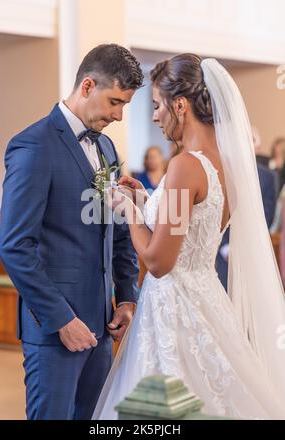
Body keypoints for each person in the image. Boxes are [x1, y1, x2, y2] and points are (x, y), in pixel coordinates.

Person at [93, 54, 285, 420]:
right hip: (208, 300)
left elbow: (159, 261)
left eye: (156, 105)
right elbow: (185, 226)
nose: (153, 116)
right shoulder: (225, 166)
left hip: (175, 310)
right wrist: (147, 201)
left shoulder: (185, 165)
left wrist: (131, 211)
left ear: (179, 105)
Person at [0, 44, 143, 420]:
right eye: (114, 102)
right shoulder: (33, 145)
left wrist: (126, 296)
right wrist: (62, 319)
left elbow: (117, 230)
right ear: (87, 86)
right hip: (55, 332)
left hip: (101, 326)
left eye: (124, 106)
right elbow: (15, 247)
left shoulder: (108, 148)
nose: (118, 115)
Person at [216, 127, 278, 290]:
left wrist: (246, 247)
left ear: (257, 146)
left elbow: (267, 215)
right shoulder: (223, 171)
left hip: (254, 252)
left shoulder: (269, 176)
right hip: (223, 253)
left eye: (251, 140)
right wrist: (225, 247)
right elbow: (216, 212)